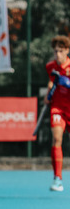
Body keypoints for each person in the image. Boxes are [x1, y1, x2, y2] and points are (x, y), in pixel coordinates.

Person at [46, 35, 70, 192]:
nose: (58, 54)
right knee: (56, 139)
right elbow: (50, 83)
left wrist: (67, 83)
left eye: (61, 51)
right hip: (57, 108)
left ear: (67, 51)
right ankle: (57, 179)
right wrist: (48, 93)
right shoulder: (50, 67)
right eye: (55, 51)